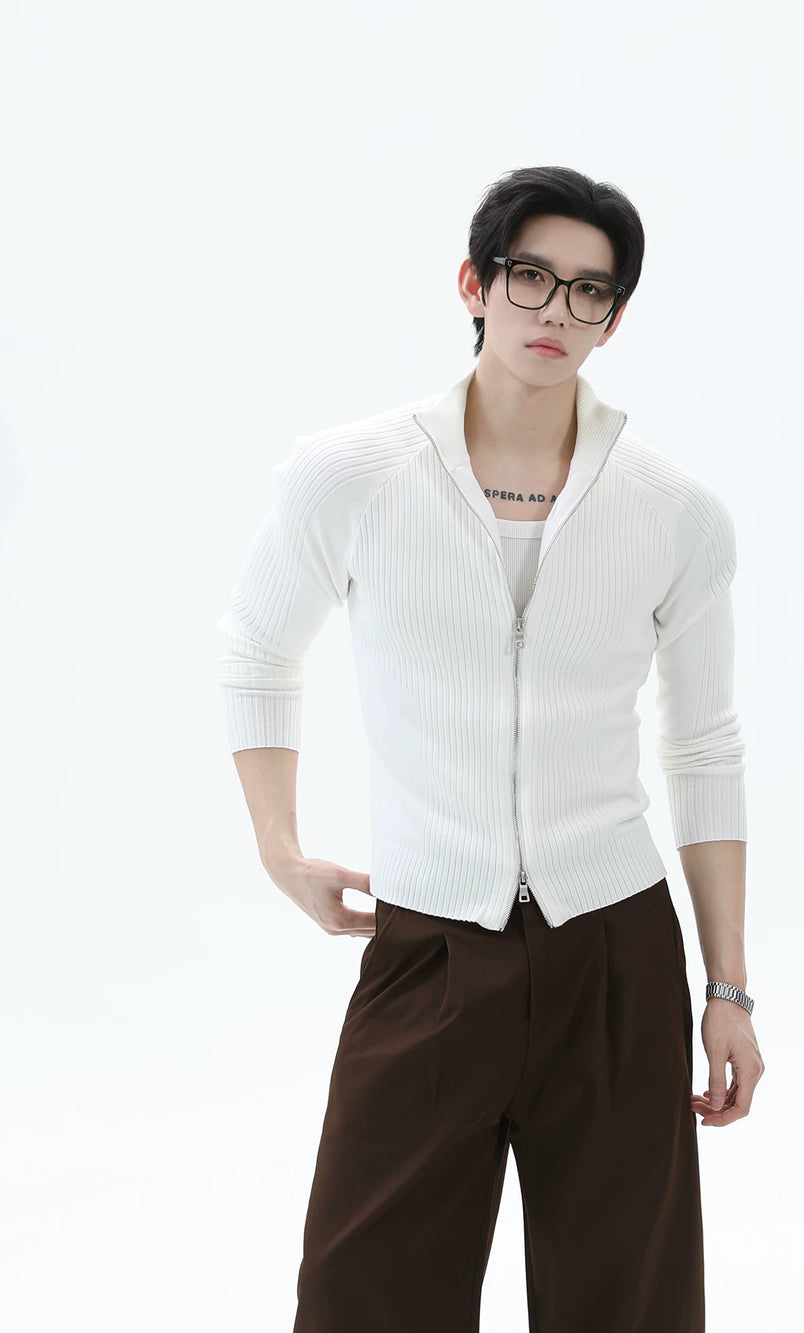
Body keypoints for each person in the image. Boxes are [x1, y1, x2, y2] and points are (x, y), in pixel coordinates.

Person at [217, 164, 764, 1333]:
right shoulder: (353, 475)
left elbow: (705, 747)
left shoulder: (674, 513)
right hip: (428, 946)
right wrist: (279, 848)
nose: (555, 310)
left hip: (612, 955)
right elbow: (258, 652)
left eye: (588, 290)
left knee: (625, 1306)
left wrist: (726, 988)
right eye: (530, 277)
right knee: (364, 1296)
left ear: (615, 318)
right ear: (474, 284)